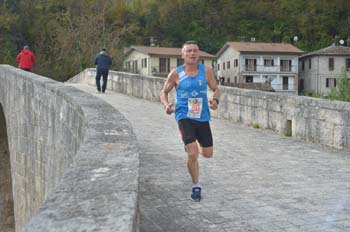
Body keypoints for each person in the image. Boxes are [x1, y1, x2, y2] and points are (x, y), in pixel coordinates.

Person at [160, 40, 220, 202]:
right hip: (183, 115)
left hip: (202, 116)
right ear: (183, 55)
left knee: (207, 154)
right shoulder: (176, 73)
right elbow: (163, 92)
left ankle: (190, 144)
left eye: (195, 51)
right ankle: (196, 186)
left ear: (198, 53)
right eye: (188, 51)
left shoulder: (206, 71)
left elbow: (216, 89)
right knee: (193, 153)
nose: (192, 54)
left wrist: (215, 100)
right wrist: (166, 106)